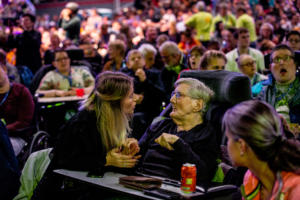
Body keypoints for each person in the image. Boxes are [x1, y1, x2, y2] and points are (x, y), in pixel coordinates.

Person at [32, 71, 140, 199]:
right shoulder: (83, 123)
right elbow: (65, 160)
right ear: (115, 101)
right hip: (62, 192)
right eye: (130, 96)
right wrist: (106, 160)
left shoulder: (117, 119)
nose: (136, 99)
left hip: (93, 187)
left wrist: (126, 150)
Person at [138, 78, 219, 184]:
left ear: (197, 105)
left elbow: (203, 175)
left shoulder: (206, 134)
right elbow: (136, 157)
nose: (171, 100)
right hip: (138, 183)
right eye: (173, 94)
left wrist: (178, 144)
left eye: (179, 95)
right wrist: (127, 152)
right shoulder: (159, 125)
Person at [223, 100, 300, 200]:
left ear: (242, 145)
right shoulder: (250, 177)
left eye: (228, 138)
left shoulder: (296, 188)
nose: (227, 145)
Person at [0, 64, 34, 155]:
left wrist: (3, 130)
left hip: (16, 136)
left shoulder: (21, 91)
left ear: (4, 70)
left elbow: (24, 122)